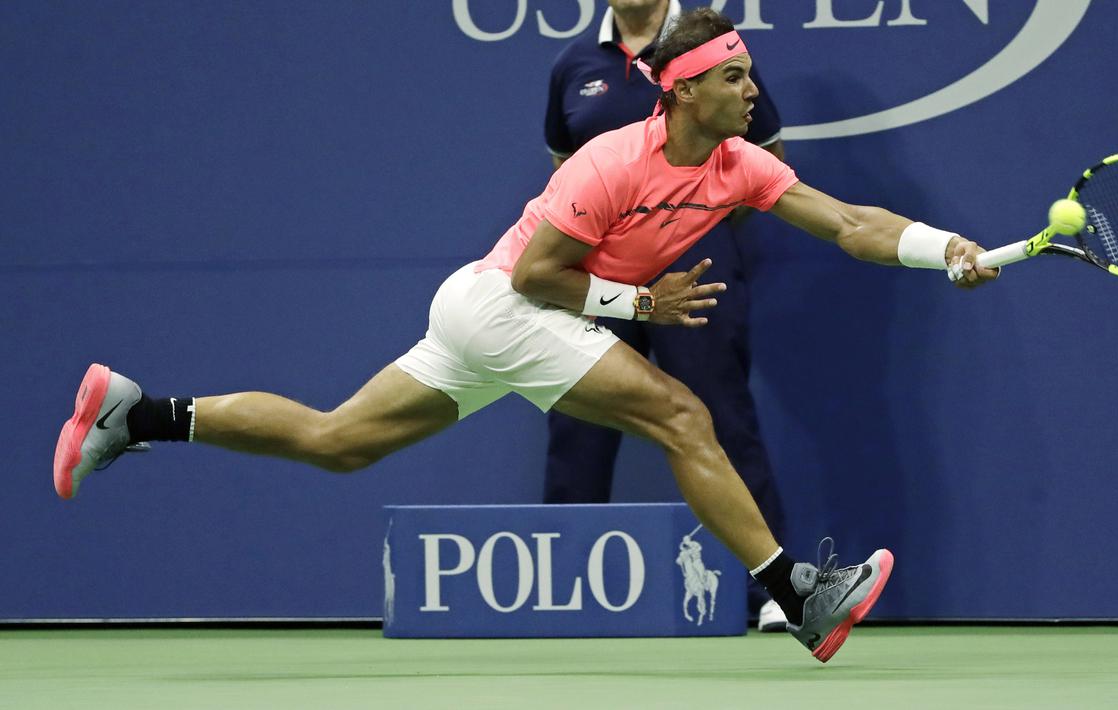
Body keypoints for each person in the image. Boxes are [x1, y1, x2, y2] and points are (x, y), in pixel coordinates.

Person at [52, 8, 997, 663]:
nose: (753, 90)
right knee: (679, 413)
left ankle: (138, 415)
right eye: (734, 77)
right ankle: (798, 595)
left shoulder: (740, 164)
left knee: (338, 441)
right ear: (681, 93)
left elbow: (849, 223)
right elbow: (538, 275)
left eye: (748, 73)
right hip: (505, 304)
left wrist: (942, 248)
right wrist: (643, 309)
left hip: (504, 319)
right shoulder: (608, 162)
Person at [541, 0, 790, 632]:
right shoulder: (574, 63)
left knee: (719, 415)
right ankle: (563, 592)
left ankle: (769, 592)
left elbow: (764, 155)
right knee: (578, 422)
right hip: (598, 265)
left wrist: (686, 219)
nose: (744, 86)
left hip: (696, 260)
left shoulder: (712, 54)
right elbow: (565, 170)